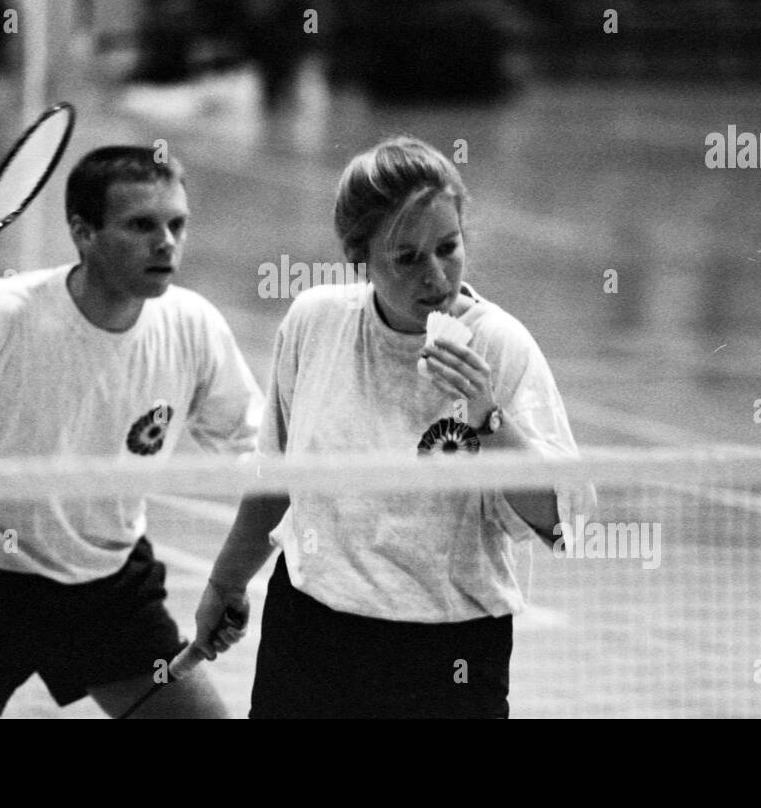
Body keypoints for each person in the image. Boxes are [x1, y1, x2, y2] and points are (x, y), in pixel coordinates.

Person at [0, 145, 262, 718]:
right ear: (83, 232)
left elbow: (259, 457)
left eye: (176, 224)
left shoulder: (192, 326)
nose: (166, 242)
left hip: (110, 594)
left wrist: (240, 576)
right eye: (141, 225)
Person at [193, 136, 595, 718]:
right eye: (406, 258)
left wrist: (486, 415)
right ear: (360, 259)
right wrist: (225, 583)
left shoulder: (501, 346)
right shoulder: (315, 323)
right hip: (310, 633)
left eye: (448, 248)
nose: (436, 276)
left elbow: (561, 523)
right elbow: (275, 482)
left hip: (449, 652)